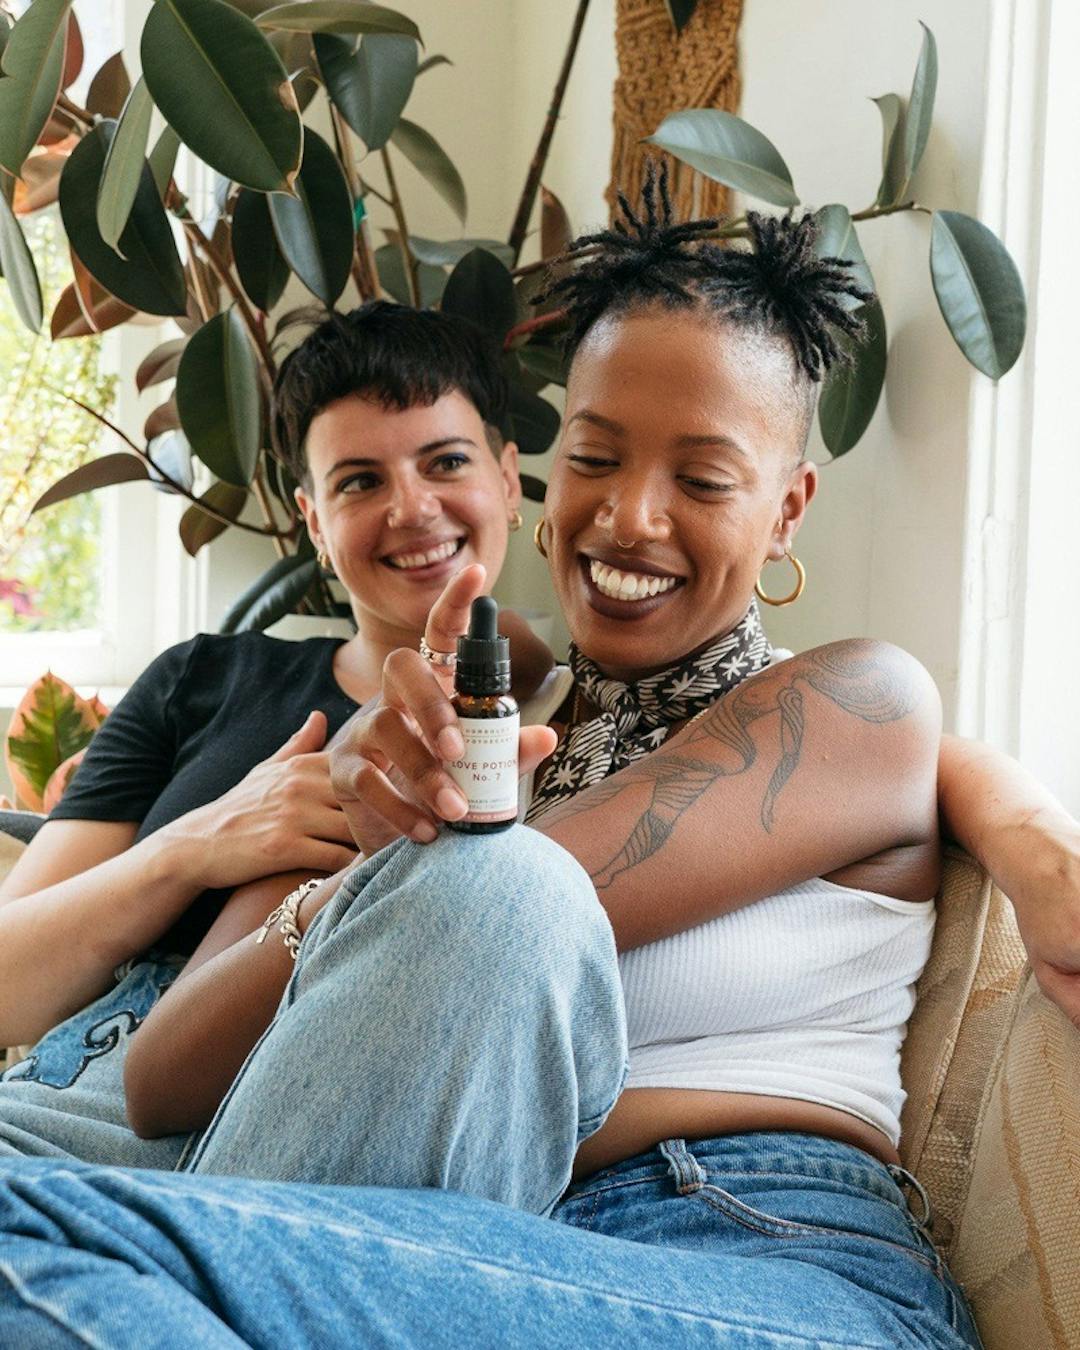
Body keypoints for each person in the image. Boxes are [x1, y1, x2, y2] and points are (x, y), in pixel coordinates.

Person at [3, 173, 1076, 1347]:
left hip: (758, 1253)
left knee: (489, 890)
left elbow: (501, 910)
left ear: (787, 509)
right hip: (466, 1242)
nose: (628, 519)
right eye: (596, 458)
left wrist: (393, 858)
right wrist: (358, 825)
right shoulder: (461, 707)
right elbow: (161, 1081)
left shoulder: (857, 702)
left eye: (703, 480)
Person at [0, 301, 550, 1166]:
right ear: (313, 522)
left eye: (445, 461)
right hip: (71, 1108)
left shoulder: (556, 718)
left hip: (324, 1134)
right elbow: (5, 983)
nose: (412, 509)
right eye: (360, 481)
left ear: (510, 482)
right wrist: (198, 845)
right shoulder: (203, 679)